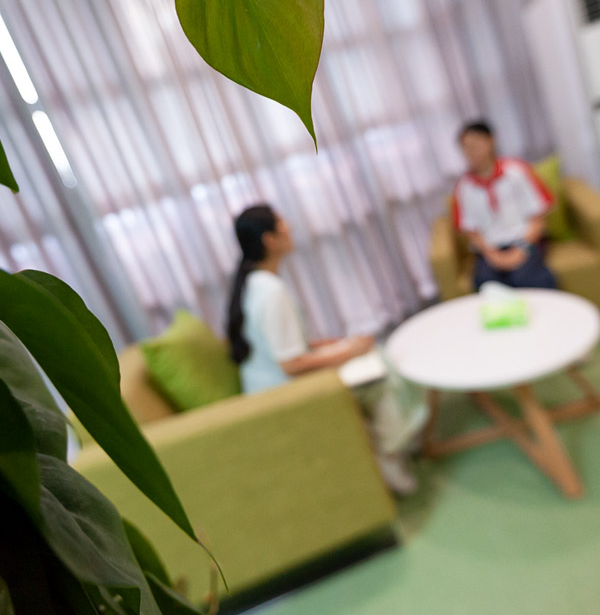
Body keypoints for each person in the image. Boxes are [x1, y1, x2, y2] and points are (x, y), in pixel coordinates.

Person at [226, 205, 425, 494]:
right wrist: (349, 352)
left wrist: (333, 345)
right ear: (269, 240)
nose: (290, 228)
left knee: (372, 354)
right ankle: (392, 455)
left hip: (270, 387)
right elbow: (291, 364)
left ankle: (394, 443)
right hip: (285, 394)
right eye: (283, 224)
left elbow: (277, 344)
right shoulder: (271, 292)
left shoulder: (253, 284)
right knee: (380, 374)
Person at [451, 120, 557, 290]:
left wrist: (521, 249)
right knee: (486, 284)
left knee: (528, 278)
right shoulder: (463, 187)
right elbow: (472, 231)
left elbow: (538, 217)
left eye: (476, 144)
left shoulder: (516, 171)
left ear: (490, 141)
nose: (472, 152)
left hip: (526, 241)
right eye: (466, 147)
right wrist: (492, 255)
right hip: (490, 250)